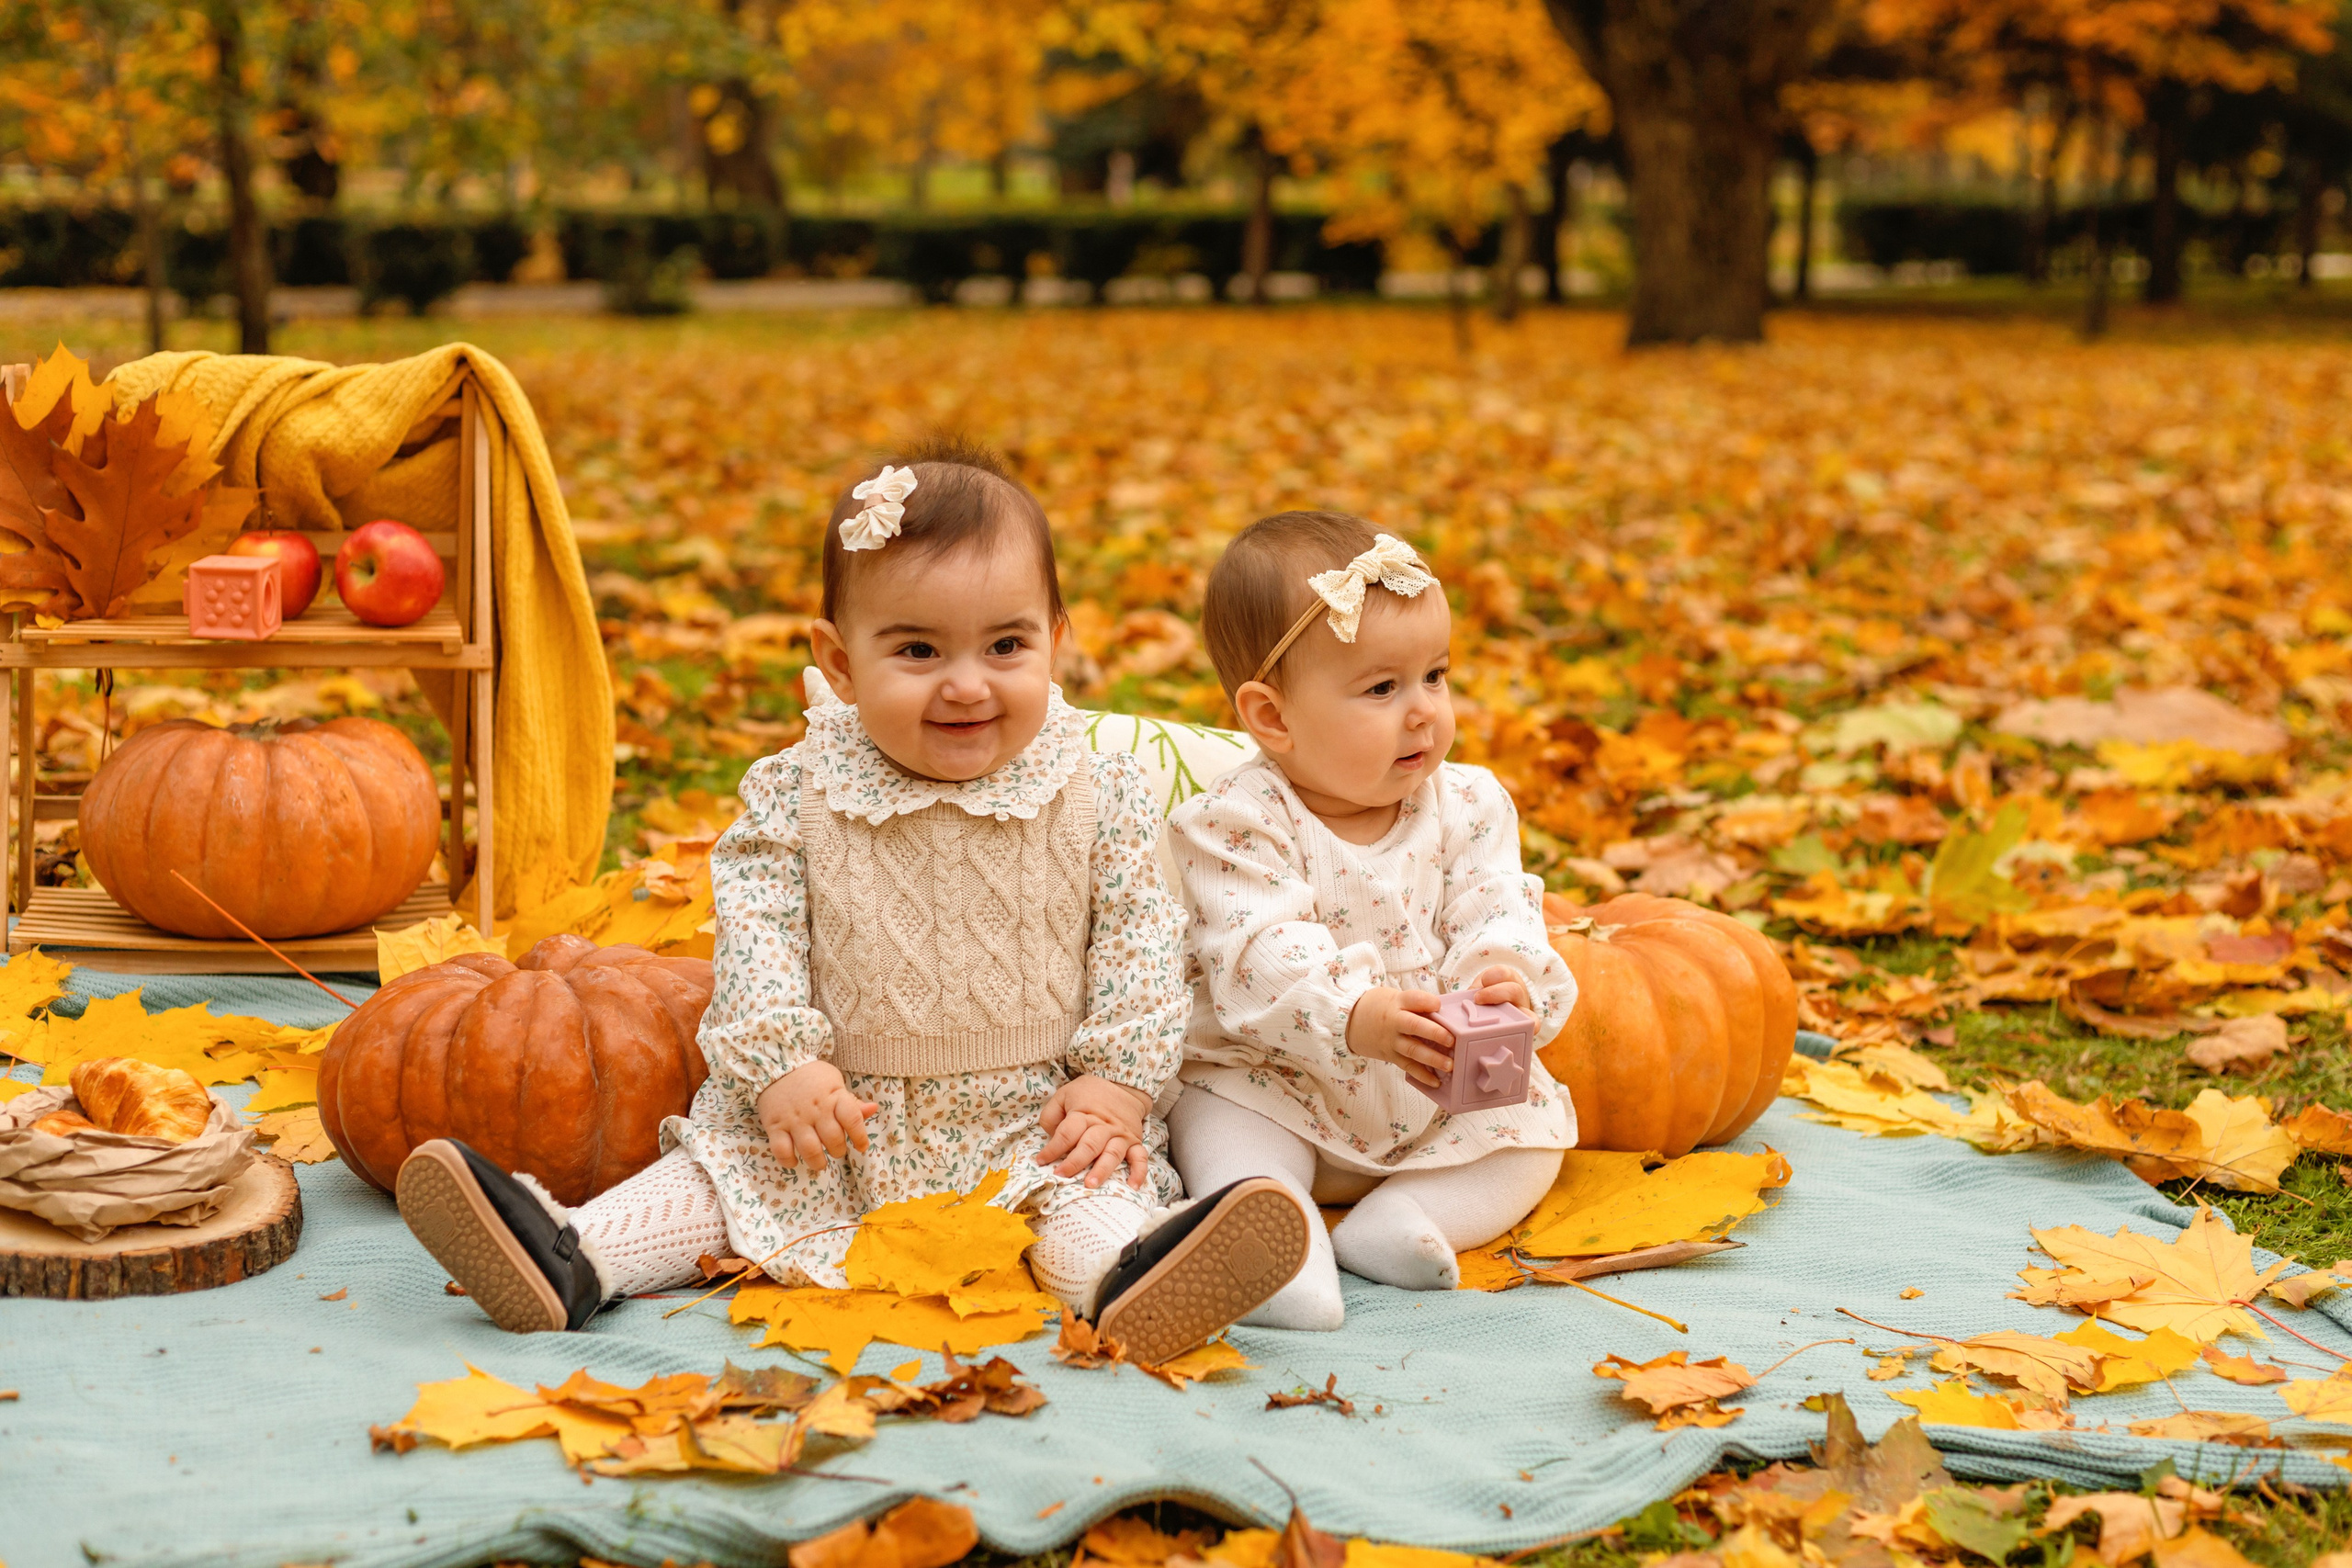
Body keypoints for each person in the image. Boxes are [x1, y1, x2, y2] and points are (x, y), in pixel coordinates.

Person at [396, 441, 1309, 1359]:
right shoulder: (797, 791)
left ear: (1055, 640)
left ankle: (1127, 1275)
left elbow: (1141, 945)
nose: (966, 683)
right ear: (838, 661)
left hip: (1030, 1119)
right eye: (917, 649)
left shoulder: (1096, 788)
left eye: (1006, 646)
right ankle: (575, 1253)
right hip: (831, 1120)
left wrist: (1116, 1082)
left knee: (1083, 1191)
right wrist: (781, 1064)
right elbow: (756, 939)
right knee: (717, 1181)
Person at [1164, 511, 1577, 1331]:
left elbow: (1497, 903)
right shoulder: (1236, 821)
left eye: (1436, 675)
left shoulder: (1468, 803)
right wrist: (1355, 1012)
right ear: (1273, 717)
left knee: (1536, 1126)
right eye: (1383, 688)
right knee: (1216, 1122)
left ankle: (1408, 1216)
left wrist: (1502, 981)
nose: (1423, 711)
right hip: (1280, 1082)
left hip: (1437, 1091)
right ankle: (1282, 1247)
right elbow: (1258, 951)